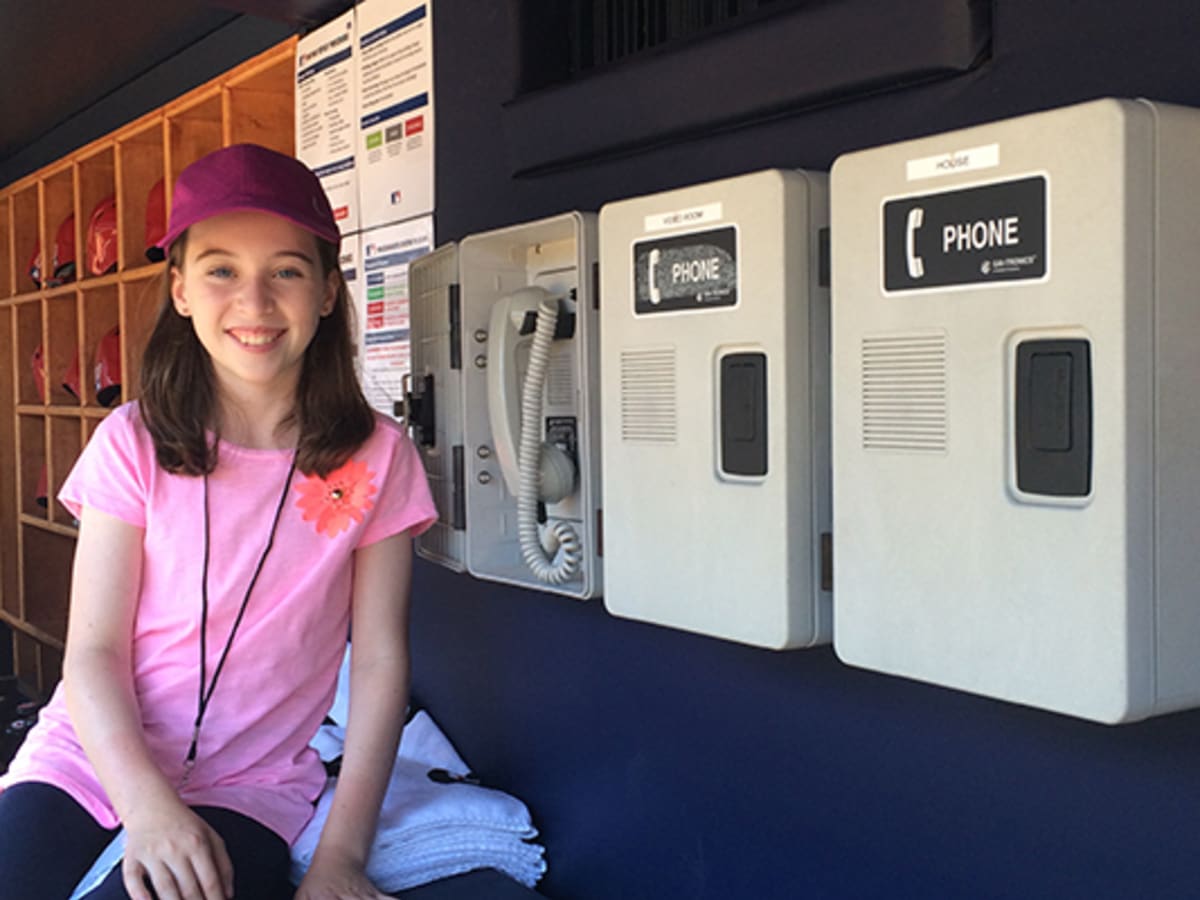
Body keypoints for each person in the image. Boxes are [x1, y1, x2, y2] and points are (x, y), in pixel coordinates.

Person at [0, 143, 437, 900]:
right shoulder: (131, 442)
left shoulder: (380, 457)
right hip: (87, 756)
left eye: (288, 271)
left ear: (329, 292)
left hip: (248, 785)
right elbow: (94, 653)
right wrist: (147, 810)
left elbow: (377, 665)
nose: (256, 302)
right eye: (222, 269)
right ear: (180, 291)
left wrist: (340, 857)